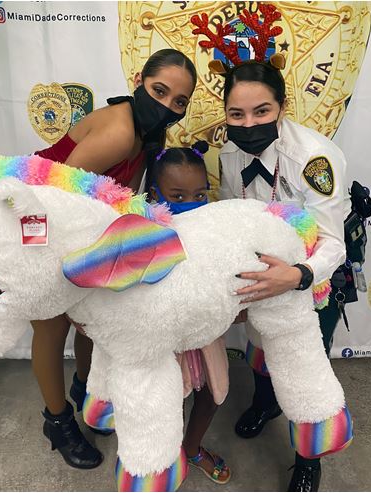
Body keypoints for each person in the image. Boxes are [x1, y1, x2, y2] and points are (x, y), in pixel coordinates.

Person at [30, 48, 197, 470]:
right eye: (159, 91)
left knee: (93, 316)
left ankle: (85, 391)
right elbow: (59, 199)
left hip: (80, 225)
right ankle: (57, 421)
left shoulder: (146, 134)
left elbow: (117, 201)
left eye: (179, 101)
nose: (167, 106)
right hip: (40, 221)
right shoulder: (121, 132)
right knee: (52, 324)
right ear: (139, 81)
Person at [218, 59, 351, 491]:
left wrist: (297, 276)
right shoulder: (228, 152)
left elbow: (333, 243)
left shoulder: (314, 159)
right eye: (237, 114)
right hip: (262, 274)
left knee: (305, 372)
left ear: (282, 106)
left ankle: (308, 461)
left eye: (262, 111)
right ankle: (265, 402)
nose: (248, 124)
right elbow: (231, 214)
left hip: (312, 278)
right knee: (259, 346)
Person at [145, 141, 231, 485]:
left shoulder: (217, 231)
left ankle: (192, 448)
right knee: (165, 401)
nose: (190, 204)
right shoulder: (143, 234)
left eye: (199, 195)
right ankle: (163, 457)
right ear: (155, 194)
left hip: (206, 334)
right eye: (177, 196)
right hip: (164, 339)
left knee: (212, 393)